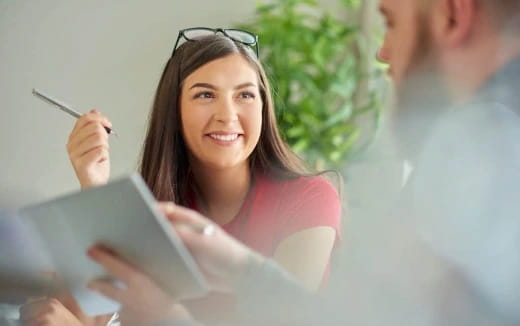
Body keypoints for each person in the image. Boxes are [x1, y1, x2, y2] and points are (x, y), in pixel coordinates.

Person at [86, 0, 520, 325]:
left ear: (453, 16)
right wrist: (244, 272)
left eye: (389, 21)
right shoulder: (463, 160)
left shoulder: (482, 166)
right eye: (204, 94)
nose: (382, 53)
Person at [18, 28, 342, 325]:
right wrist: (94, 185)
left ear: (263, 107)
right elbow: (94, 316)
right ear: (175, 109)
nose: (227, 115)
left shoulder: (311, 198)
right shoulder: (151, 205)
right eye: (205, 95)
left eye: (245, 95)